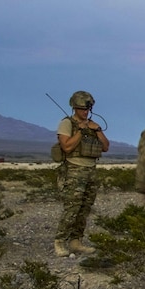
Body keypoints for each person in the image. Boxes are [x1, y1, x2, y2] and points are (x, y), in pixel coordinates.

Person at [53, 90, 110, 257]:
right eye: (81, 109)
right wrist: (80, 131)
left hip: (90, 171)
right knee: (72, 208)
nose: (85, 112)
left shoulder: (93, 124)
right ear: (74, 108)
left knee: (84, 208)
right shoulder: (67, 124)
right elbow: (67, 147)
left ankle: (76, 241)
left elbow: (106, 147)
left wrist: (97, 130)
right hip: (73, 170)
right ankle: (60, 241)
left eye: (87, 109)